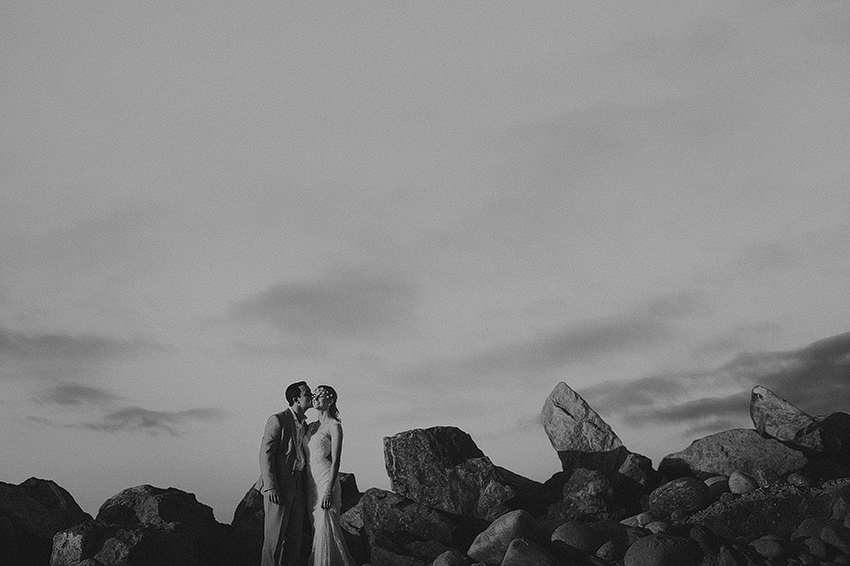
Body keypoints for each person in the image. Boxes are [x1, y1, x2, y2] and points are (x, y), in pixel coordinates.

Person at [257, 381, 313, 566]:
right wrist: (271, 486)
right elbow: (265, 454)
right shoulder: (278, 419)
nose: (311, 395)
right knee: (274, 540)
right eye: (307, 393)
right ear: (296, 399)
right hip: (279, 486)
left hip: (299, 485)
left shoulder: (306, 425)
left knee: (294, 540)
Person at [305, 385, 357, 566]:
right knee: (315, 525)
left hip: (326, 479)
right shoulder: (310, 427)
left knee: (326, 523)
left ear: (331, 400)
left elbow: (336, 461)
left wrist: (328, 491)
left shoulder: (334, 426)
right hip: (310, 480)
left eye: (321, 396)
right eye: (315, 396)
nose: (316, 399)